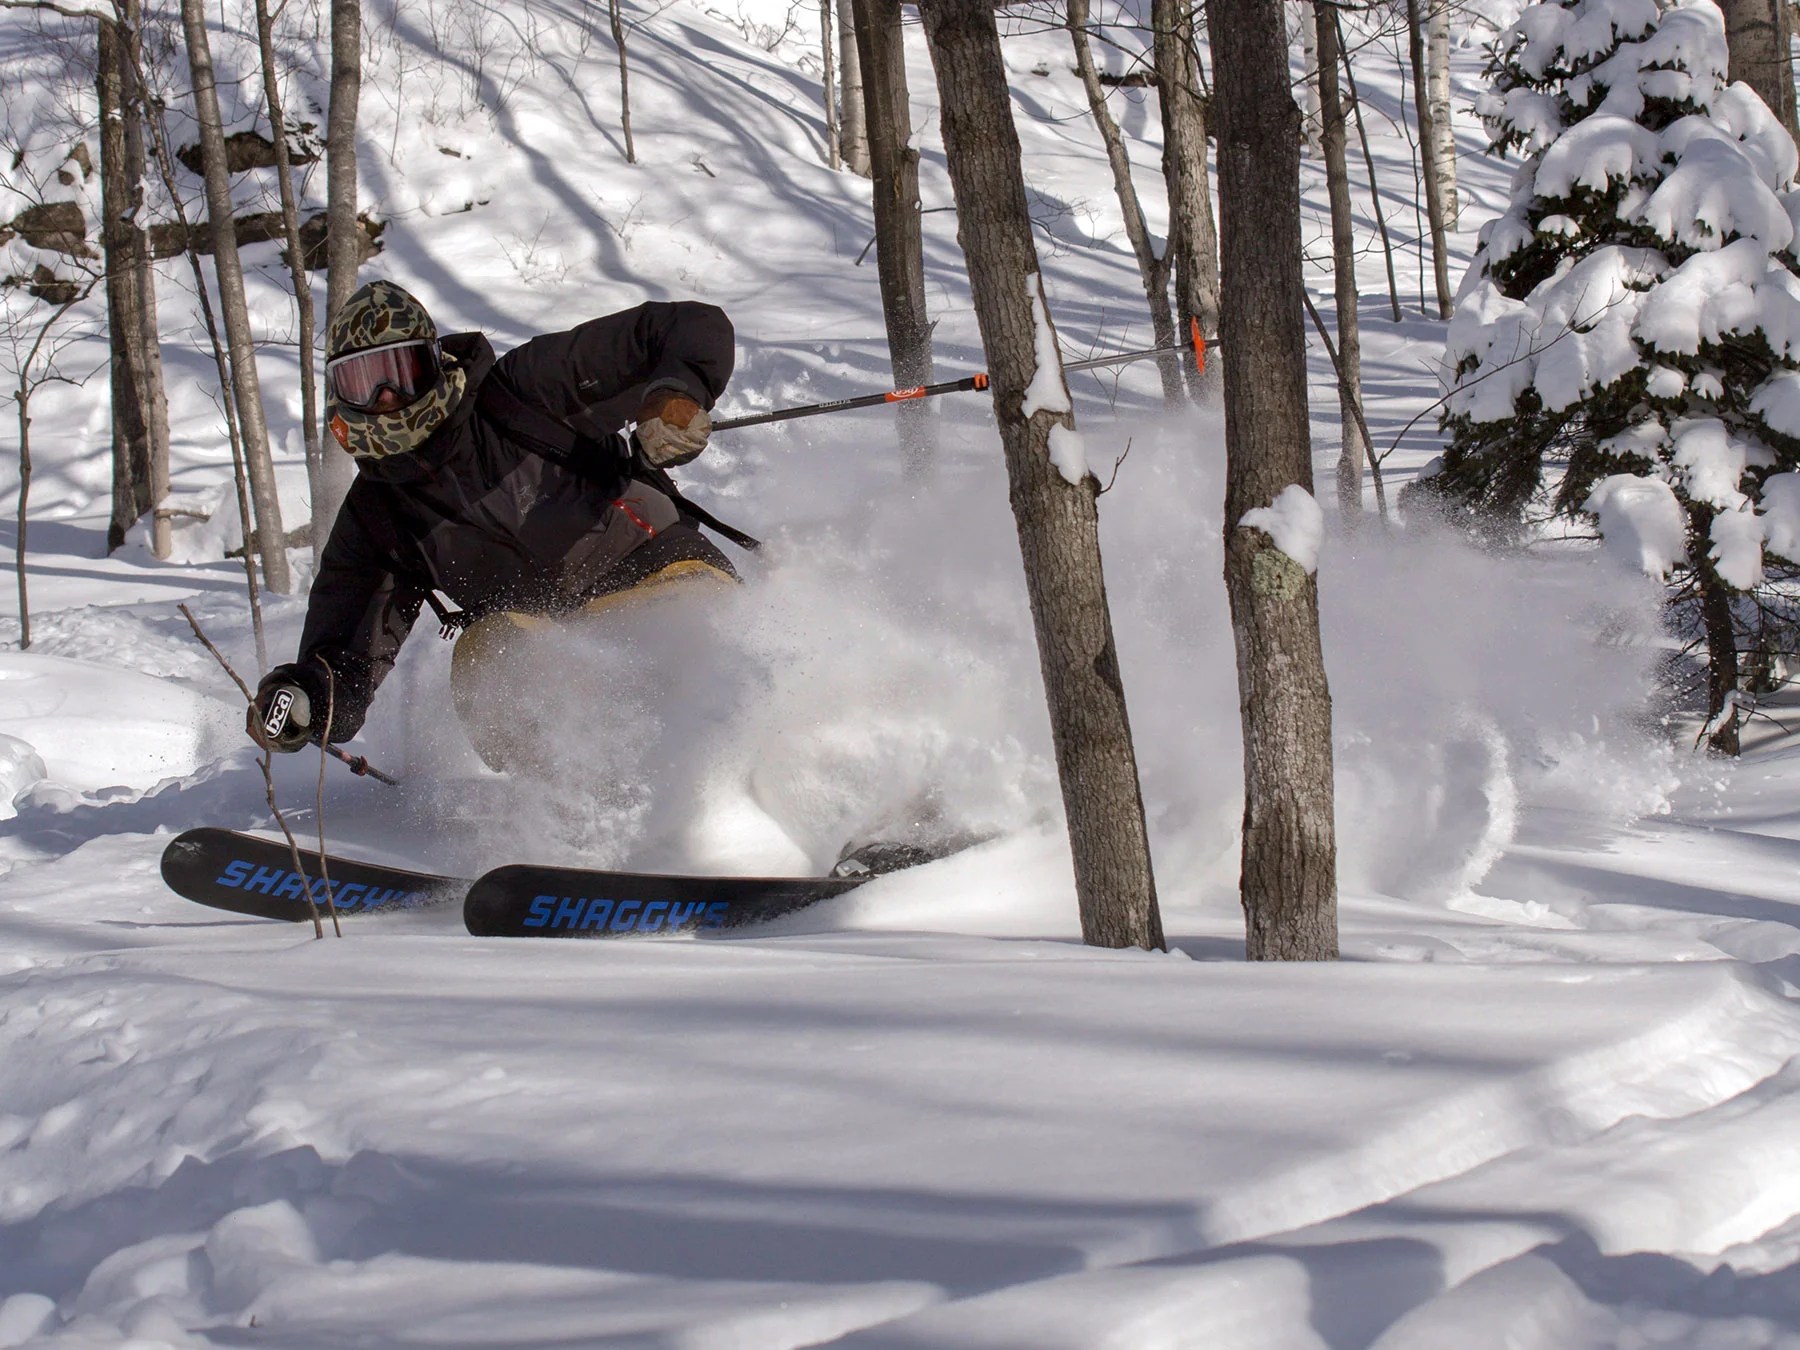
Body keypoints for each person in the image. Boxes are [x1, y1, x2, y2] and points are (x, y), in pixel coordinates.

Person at [247, 279, 741, 770]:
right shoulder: (379, 516)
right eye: (364, 381)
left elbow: (687, 326)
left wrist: (676, 395)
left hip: (657, 568)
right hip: (554, 636)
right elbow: (345, 654)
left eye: (403, 371)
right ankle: (575, 819)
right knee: (486, 659)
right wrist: (307, 695)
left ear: (435, 364)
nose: (387, 398)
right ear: (340, 394)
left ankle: (749, 775)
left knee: (678, 643)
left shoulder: (521, 393)